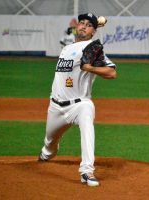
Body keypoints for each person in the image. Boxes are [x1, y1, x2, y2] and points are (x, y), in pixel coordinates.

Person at [38, 13, 116, 187]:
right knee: (50, 145)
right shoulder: (67, 48)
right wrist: (95, 24)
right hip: (56, 107)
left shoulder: (93, 48)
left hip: (79, 104)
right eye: (81, 23)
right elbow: (81, 40)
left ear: (93, 31)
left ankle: (87, 171)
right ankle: (46, 154)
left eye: (88, 25)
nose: (83, 26)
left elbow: (112, 73)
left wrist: (89, 67)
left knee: (87, 117)